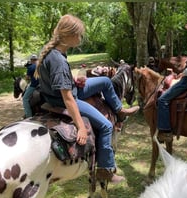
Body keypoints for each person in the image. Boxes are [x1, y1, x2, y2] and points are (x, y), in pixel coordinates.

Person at [34, 14, 139, 183]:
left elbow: (56, 80)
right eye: (79, 35)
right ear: (69, 35)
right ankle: (105, 169)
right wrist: (81, 127)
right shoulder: (59, 60)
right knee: (105, 126)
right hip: (64, 99)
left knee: (105, 81)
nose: (80, 38)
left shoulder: (51, 52)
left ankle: (119, 109)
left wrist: (73, 79)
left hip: (68, 90)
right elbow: (68, 98)